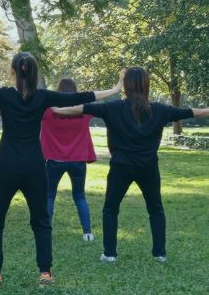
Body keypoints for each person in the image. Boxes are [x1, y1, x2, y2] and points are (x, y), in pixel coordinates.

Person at [0, 53, 123, 288]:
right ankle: (45, 272)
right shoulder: (43, 97)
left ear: (13, 71)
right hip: (34, 166)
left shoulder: (3, 94)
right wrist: (114, 89)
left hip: (6, 166)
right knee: (41, 221)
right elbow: (79, 96)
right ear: (34, 73)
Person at [53, 66, 209, 264]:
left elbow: (81, 108)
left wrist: (56, 108)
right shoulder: (160, 110)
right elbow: (191, 112)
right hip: (148, 167)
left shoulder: (113, 108)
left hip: (121, 166)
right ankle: (159, 254)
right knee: (156, 209)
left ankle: (110, 254)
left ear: (126, 86)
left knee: (111, 209)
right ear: (147, 85)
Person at [40, 78, 97, 242]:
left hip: (54, 160)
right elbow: (95, 101)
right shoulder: (84, 110)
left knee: (49, 195)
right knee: (79, 196)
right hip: (78, 160)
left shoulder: (47, 110)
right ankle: (87, 233)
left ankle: (46, 230)